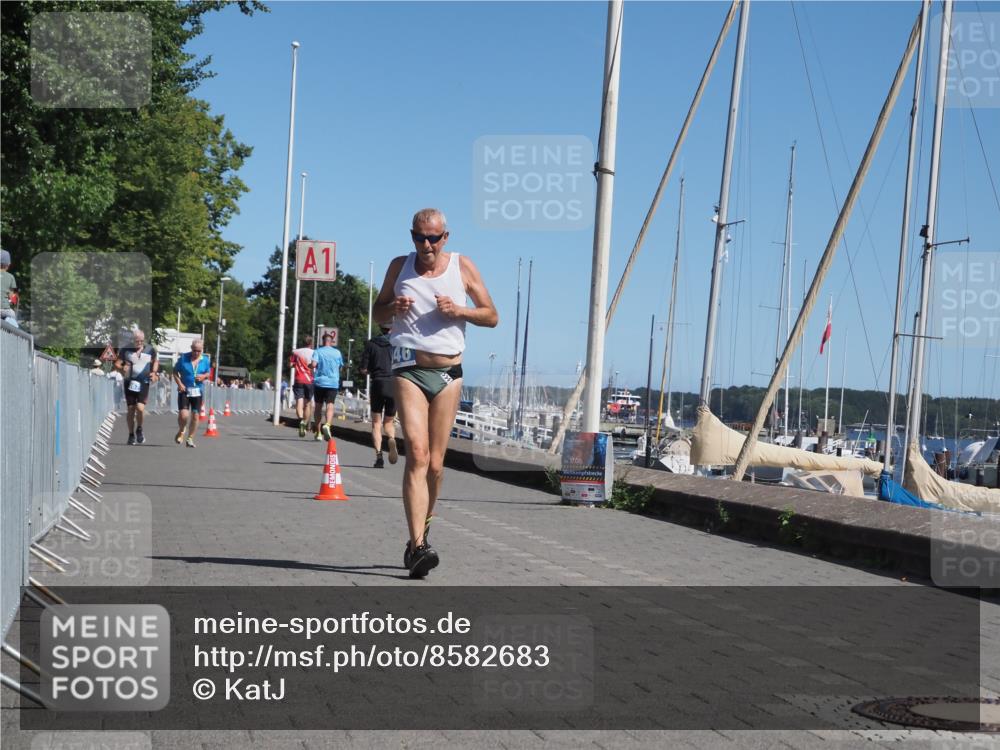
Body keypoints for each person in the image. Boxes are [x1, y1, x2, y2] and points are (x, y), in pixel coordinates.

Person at [373, 208, 497, 578]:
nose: (425, 245)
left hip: (448, 374)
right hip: (408, 368)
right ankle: (417, 547)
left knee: (437, 465)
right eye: (419, 237)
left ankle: (422, 530)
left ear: (445, 237)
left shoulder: (462, 266)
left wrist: (458, 310)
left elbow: (491, 315)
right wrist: (392, 307)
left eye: (432, 238)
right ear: (411, 235)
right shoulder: (399, 267)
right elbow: (377, 313)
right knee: (418, 454)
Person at [360, 324, 398, 468]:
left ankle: (379, 457)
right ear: (391, 329)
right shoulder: (397, 343)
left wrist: (371, 370)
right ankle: (391, 438)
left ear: (381, 328)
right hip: (393, 384)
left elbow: (363, 369)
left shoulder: (371, 344)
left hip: (378, 383)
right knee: (389, 422)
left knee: (376, 423)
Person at [115, 329, 159, 445]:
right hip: (129, 382)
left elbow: (155, 361)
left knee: (140, 408)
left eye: (141, 341)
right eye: (137, 341)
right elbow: (117, 364)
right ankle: (131, 435)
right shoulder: (126, 350)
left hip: (144, 382)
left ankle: (139, 429)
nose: (139, 343)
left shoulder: (150, 349)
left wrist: (154, 372)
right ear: (132, 340)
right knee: (130, 409)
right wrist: (122, 368)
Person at [173, 338, 211, 447]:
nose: (196, 353)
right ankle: (181, 430)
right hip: (184, 390)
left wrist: (203, 376)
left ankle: (190, 438)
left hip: (197, 392)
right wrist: (180, 384)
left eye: (199, 351)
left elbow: (208, 373)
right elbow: (175, 372)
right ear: (191, 348)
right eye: (194, 350)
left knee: (195, 416)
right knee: (184, 415)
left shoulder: (205, 360)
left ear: (202, 350)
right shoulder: (183, 358)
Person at [310, 332, 344, 441]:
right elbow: (341, 367)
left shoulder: (317, 351)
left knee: (318, 407)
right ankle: (328, 425)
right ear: (331, 341)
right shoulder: (337, 353)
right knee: (330, 405)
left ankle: (318, 433)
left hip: (319, 383)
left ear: (323, 341)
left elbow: (313, 365)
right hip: (333, 383)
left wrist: (310, 365)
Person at [289, 336, 315, 438]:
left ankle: (300, 419)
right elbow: (315, 365)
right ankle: (304, 422)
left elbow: (290, 364)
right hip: (309, 380)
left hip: (298, 379)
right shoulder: (314, 353)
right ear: (311, 343)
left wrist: (297, 365)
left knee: (299, 402)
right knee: (307, 404)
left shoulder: (296, 352)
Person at [1, 249, 19, 329]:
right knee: (12, 316)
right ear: (8, 265)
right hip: (4, 310)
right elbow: (13, 299)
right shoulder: (11, 277)